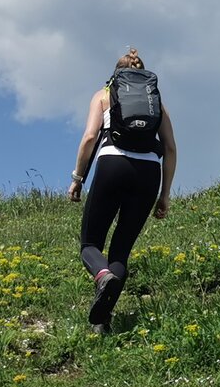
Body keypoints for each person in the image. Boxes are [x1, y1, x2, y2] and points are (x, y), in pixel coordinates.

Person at [68, 48, 177, 333]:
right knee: (120, 251)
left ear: (115, 74)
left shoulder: (104, 94)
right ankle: (101, 322)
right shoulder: (157, 102)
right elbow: (170, 148)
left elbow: (89, 137)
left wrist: (77, 178)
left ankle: (102, 274)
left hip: (112, 165)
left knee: (90, 245)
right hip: (149, 173)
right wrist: (165, 194)